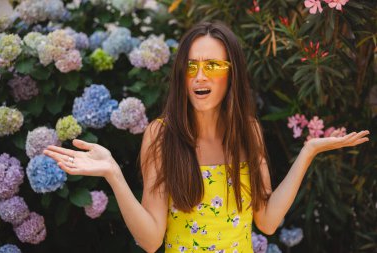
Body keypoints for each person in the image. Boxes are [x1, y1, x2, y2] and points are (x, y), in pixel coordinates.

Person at [43, 21, 369, 253]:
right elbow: (151, 240)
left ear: (231, 73)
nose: (200, 75)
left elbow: (267, 222)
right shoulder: (162, 134)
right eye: (192, 66)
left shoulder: (248, 131)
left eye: (212, 65)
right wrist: (114, 174)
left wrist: (307, 153)